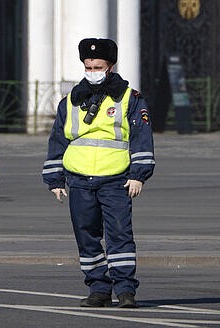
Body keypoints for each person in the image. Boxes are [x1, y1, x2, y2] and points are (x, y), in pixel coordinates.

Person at [42, 38, 155, 308]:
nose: (92, 70)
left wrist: (138, 174)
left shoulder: (130, 98)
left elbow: (141, 136)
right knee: (86, 236)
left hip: (116, 180)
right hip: (79, 181)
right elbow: (58, 140)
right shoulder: (70, 101)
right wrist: (55, 179)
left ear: (111, 66)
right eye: (88, 65)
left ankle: (126, 289)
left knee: (119, 235)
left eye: (98, 66)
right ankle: (98, 289)